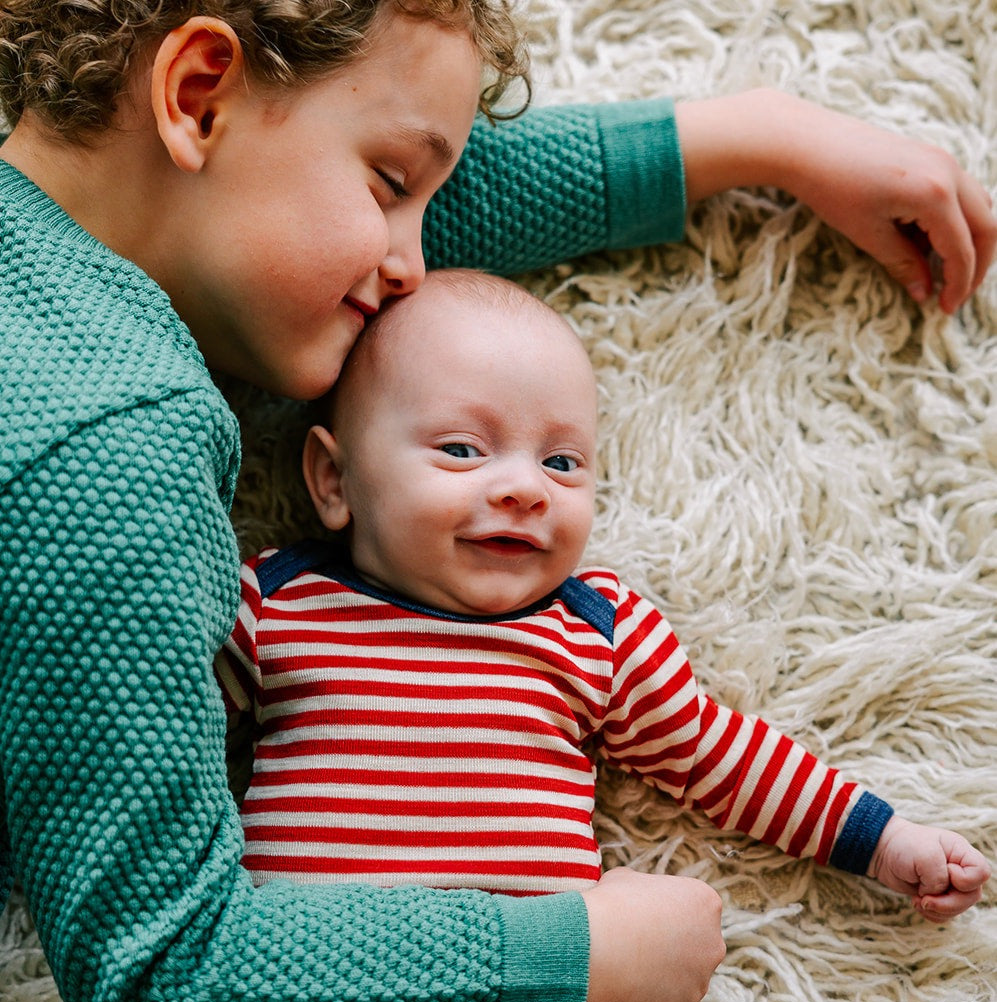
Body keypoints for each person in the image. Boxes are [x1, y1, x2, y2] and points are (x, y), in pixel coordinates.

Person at [0, 0, 993, 1002]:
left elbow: (444, 194)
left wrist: (757, 138)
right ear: (196, 96)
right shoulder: (106, 458)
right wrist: (583, 955)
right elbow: (176, 970)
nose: (412, 264)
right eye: (393, 188)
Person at [215, 267, 990, 927]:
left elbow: (720, 755)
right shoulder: (277, 603)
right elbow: (155, 738)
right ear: (334, 480)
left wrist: (882, 839)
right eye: (461, 449)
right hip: (301, 986)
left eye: (560, 461)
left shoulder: (596, 630)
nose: (523, 488)